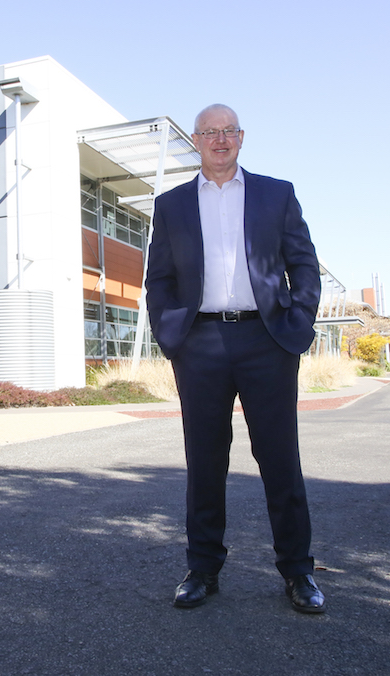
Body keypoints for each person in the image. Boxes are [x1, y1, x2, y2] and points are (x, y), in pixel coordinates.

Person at [144, 103, 325, 613]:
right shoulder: (172, 204)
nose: (220, 140)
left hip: (266, 340)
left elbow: (304, 265)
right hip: (199, 344)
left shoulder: (276, 194)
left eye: (229, 131)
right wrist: (169, 333)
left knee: (279, 459)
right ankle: (202, 569)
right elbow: (158, 278)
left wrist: (298, 322)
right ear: (196, 141)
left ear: (241, 138)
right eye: (210, 132)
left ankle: (298, 573)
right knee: (205, 460)